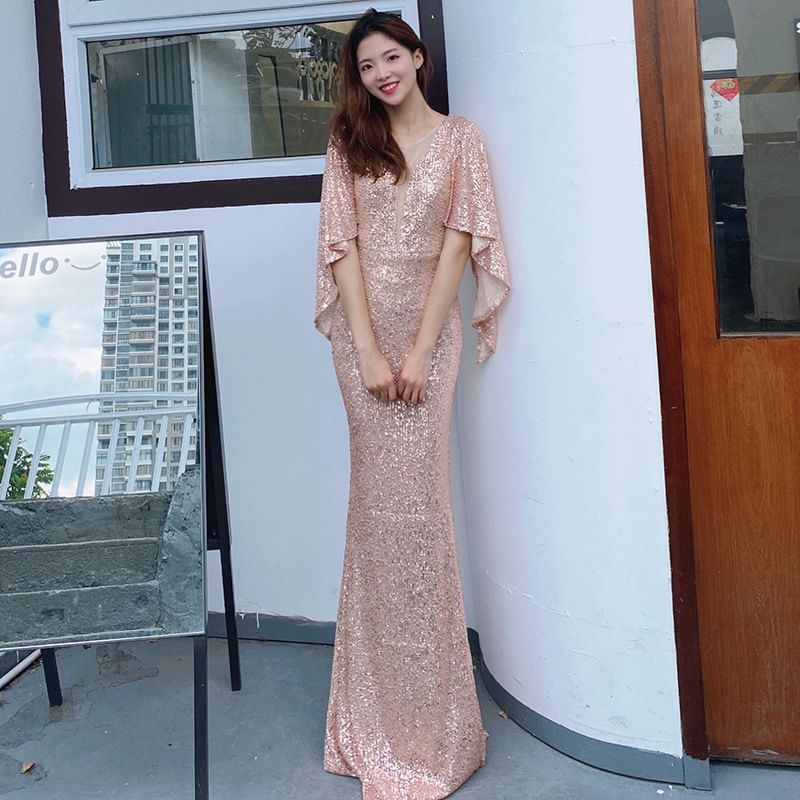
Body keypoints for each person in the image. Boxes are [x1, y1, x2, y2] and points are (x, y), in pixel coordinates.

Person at [314, 8, 510, 799]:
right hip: (362, 342)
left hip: (429, 337)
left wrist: (422, 351)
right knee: (374, 514)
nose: (381, 75)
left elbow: (460, 244)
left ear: (418, 57)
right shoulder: (348, 144)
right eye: (366, 67)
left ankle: (433, 729)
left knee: (421, 517)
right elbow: (343, 249)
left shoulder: (462, 140)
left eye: (391, 58)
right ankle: (372, 717)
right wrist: (367, 350)